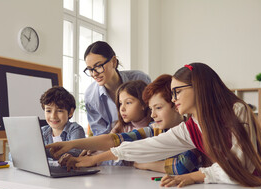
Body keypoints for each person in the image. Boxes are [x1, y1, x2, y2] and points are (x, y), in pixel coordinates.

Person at [76, 63, 261, 189]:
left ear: (198, 88)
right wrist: (99, 158)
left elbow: (239, 165)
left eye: (177, 91)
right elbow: (151, 145)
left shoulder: (236, 111)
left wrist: (194, 176)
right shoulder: (192, 126)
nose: (174, 98)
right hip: (250, 185)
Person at [47, 75, 203, 175]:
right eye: (151, 109)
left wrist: (145, 164)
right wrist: (71, 144)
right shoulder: (154, 129)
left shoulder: (191, 130)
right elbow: (115, 139)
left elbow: (182, 165)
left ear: (176, 105)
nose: (153, 114)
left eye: (159, 108)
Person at [83, 41, 151, 136]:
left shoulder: (140, 79)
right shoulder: (90, 96)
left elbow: (154, 112)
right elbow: (100, 133)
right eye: (90, 69)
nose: (94, 74)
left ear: (113, 62)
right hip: (112, 142)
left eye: (98, 66)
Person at [39, 86, 85, 159]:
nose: (53, 116)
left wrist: (44, 152)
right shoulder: (41, 131)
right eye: (48, 111)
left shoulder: (75, 129)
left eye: (59, 111)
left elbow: (76, 152)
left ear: (70, 112)